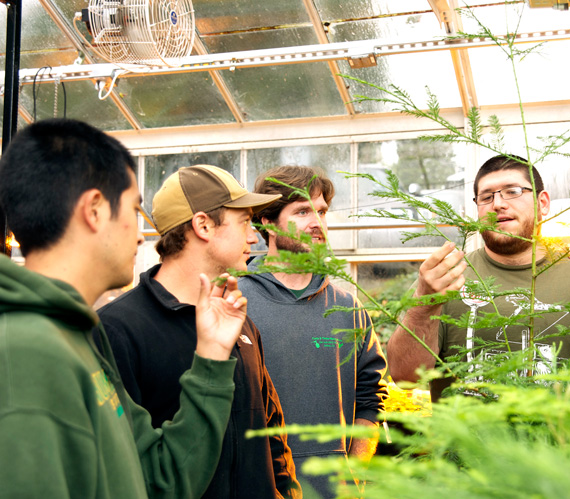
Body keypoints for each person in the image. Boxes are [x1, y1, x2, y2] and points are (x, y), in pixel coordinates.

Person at [0, 119, 248, 498]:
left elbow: (162, 480)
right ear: (95, 210)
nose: (138, 234)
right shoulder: (24, 354)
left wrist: (212, 355)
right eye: (133, 210)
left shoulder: (82, 337)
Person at [97, 165, 301, 498]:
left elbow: (272, 430)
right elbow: (128, 469)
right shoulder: (116, 330)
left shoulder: (240, 322)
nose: (254, 236)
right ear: (203, 225)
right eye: (245, 221)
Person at [387, 154, 570, 400]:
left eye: (513, 191)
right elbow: (405, 378)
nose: (498, 204)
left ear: (542, 202)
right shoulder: (445, 278)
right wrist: (424, 305)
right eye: (486, 197)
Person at [238, 166, 388, 498]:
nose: (316, 222)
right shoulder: (235, 301)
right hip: (257, 486)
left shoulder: (348, 309)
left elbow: (371, 400)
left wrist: (357, 474)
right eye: (302, 210)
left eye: (321, 211)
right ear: (266, 222)